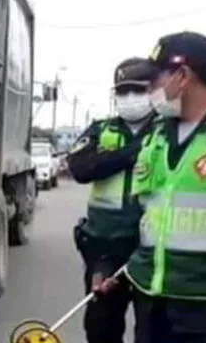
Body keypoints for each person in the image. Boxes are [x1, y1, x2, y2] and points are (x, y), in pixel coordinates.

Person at [126, 31, 206, 343]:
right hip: (153, 302)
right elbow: (144, 214)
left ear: (182, 76)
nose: (150, 91)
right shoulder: (156, 136)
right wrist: (115, 267)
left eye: (153, 81)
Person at [66, 57, 158, 343]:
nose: (129, 98)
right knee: (101, 328)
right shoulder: (101, 129)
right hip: (104, 247)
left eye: (138, 90)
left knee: (152, 330)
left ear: (154, 91)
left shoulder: (167, 131)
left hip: (151, 249)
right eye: (122, 91)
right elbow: (81, 168)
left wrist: (109, 159)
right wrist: (132, 153)